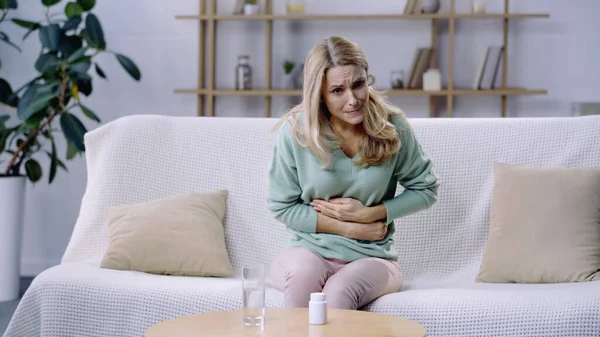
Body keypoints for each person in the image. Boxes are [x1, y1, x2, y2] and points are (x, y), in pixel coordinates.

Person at [267, 36, 439, 310]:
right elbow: (281, 206)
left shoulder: (392, 126)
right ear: (319, 94)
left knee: (339, 291)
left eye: (358, 84)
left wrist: (371, 213)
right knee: (304, 275)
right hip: (307, 251)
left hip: (373, 258)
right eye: (337, 90)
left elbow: (426, 190)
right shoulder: (295, 132)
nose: (353, 99)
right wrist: (348, 226)